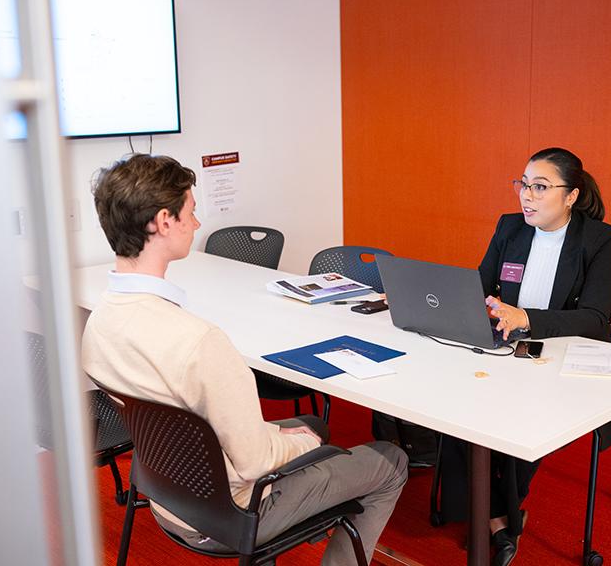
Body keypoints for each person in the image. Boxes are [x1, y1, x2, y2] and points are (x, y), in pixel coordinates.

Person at [81, 154, 408, 565]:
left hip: (165, 495)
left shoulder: (99, 325)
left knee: (312, 425)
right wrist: (301, 442)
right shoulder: (199, 342)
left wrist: (295, 436)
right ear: (164, 221)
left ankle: (310, 509)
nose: (197, 224)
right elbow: (255, 461)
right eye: (191, 212)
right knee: (389, 461)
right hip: (232, 514)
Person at [438, 147, 611, 566]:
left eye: (540, 187)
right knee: (449, 405)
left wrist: (526, 317)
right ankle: (500, 520)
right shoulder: (510, 228)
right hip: (507, 347)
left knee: (521, 418)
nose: (527, 196)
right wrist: (480, 306)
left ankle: (491, 517)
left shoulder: (599, 240)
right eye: (523, 184)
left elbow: (595, 319)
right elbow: (480, 286)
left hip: (564, 355)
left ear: (571, 196)